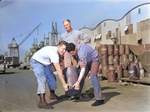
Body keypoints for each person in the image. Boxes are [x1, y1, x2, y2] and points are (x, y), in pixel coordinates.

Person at [30, 41, 68, 109]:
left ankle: (52, 95)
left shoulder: (56, 51)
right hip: (36, 61)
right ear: (58, 46)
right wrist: (64, 84)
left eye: (65, 49)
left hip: (44, 63)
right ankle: (42, 102)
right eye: (63, 49)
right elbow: (59, 70)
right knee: (42, 79)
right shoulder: (54, 54)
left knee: (51, 77)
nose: (64, 51)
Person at [59, 19, 91, 98]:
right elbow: (60, 46)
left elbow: (88, 38)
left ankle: (82, 91)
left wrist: (80, 45)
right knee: (68, 73)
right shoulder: (63, 36)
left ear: (70, 24)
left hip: (76, 55)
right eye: (64, 26)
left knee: (79, 72)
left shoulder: (77, 33)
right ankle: (69, 92)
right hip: (67, 56)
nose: (66, 26)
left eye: (67, 24)